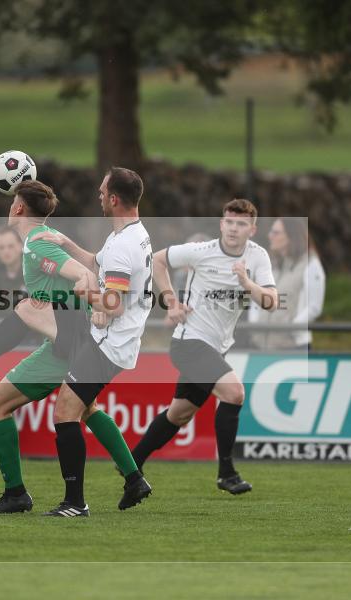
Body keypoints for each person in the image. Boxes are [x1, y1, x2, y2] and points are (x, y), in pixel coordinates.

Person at [0, 180, 146, 515]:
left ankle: (35, 496)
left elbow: (85, 277)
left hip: (72, 341)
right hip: (68, 340)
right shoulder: (39, 242)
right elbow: (88, 268)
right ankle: (133, 478)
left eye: (12, 201)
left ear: (17, 208)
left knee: (5, 404)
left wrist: (99, 306)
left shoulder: (35, 246)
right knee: (82, 408)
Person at [30, 167, 154, 517]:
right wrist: (65, 243)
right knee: (85, 409)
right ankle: (133, 479)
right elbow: (97, 263)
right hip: (113, 339)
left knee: (64, 412)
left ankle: (75, 503)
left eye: (102, 192)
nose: (99, 196)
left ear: (114, 199)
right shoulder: (131, 234)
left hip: (109, 343)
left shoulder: (124, 245)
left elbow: (112, 305)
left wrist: (89, 295)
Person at [131, 199, 277, 494]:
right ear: (222, 223)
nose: (234, 228)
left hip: (215, 348)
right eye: (229, 222)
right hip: (189, 343)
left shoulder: (257, 257)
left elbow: (271, 302)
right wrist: (171, 302)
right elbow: (157, 260)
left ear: (252, 229)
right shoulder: (202, 252)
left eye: (241, 224)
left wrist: (246, 282)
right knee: (234, 393)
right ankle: (227, 473)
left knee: (179, 414)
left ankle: (131, 461)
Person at [250, 217, 308, 350]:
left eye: (276, 233)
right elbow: (255, 296)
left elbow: (314, 306)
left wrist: (293, 327)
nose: (270, 236)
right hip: (262, 345)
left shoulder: (309, 265)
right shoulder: (270, 264)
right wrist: (255, 323)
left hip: (293, 346)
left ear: (291, 236)